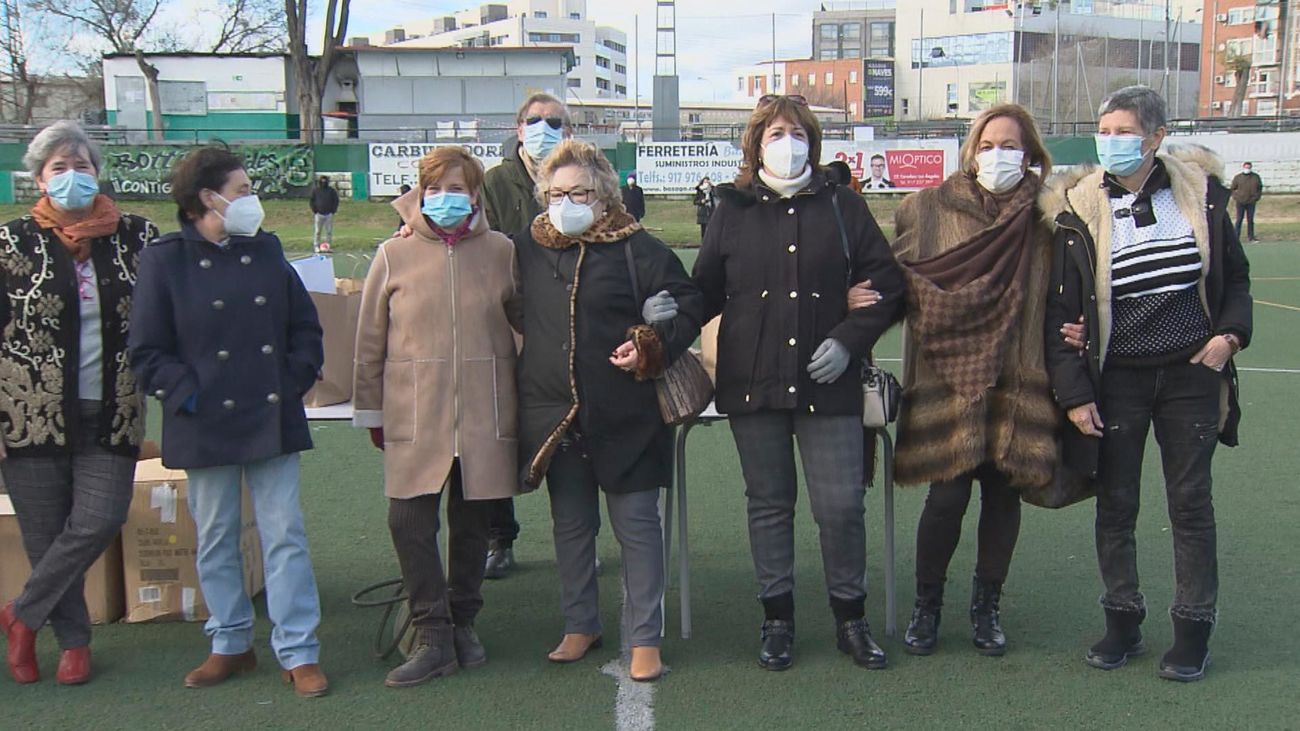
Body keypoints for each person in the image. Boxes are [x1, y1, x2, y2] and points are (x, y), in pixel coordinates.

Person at [1042, 86, 1252, 682]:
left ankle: (1192, 628)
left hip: (1192, 374)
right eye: (1103, 130)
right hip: (1117, 380)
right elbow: (1061, 313)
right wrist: (1076, 393)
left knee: (1189, 504)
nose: (1110, 141)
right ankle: (1123, 621)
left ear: (1156, 136)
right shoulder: (1077, 206)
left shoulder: (1199, 194)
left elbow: (1234, 278)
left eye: (1123, 130)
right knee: (1116, 504)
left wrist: (1229, 337)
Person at [692, 95, 904, 671]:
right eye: (774, 133)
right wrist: (661, 320)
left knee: (840, 506)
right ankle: (778, 620)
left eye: (797, 132)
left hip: (827, 383)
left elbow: (886, 283)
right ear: (755, 144)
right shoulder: (730, 210)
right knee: (769, 504)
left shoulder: (843, 206)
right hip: (752, 381)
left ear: (813, 141)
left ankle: (850, 619)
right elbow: (704, 290)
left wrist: (849, 337)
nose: (787, 142)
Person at [850, 105, 1060, 658]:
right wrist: (855, 306)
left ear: (1032, 153)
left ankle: (987, 606)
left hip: (1018, 375)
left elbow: (1068, 290)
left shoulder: (1049, 216)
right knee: (946, 499)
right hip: (948, 375)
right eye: (988, 144)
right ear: (971, 151)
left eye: (1011, 145)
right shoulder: (926, 209)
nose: (998, 155)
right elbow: (894, 281)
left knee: (1003, 496)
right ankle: (928, 605)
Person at [129, 146, 330, 697]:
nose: (252, 200)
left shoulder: (264, 250)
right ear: (207, 198)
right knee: (216, 535)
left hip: (270, 412)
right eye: (242, 190)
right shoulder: (164, 259)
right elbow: (147, 350)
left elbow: (304, 327)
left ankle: (299, 650)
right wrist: (191, 396)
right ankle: (230, 642)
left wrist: (294, 378)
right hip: (204, 420)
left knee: (284, 534)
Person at [514, 139, 702, 682]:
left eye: (578, 191)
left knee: (637, 526)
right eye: (556, 192)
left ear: (604, 195)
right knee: (571, 525)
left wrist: (651, 337)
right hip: (557, 414)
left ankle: (645, 637)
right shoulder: (528, 247)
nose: (566, 201)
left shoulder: (640, 249)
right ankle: (581, 624)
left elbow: (687, 306)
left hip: (628, 413)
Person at [353, 146, 523, 688]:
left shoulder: (501, 251)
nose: (445, 198)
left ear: (476, 194)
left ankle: (463, 621)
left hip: (483, 407)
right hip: (414, 407)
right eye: (435, 187)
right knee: (408, 521)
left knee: (473, 521)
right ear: (420, 191)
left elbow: (525, 323)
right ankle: (430, 630)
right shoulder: (392, 253)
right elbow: (369, 340)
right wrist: (372, 410)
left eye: (458, 188)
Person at [0, 121, 157, 686]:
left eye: (82, 165)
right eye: (58, 168)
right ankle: (73, 644)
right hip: (28, 411)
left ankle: (20, 612)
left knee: (99, 518)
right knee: (44, 538)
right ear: (39, 178)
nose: (72, 177)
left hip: (112, 407)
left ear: (98, 172)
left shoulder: (138, 236)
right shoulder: (10, 242)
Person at [479, 92, 574, 579]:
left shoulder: (575, 176)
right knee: (498, 435)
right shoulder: (494, 182)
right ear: (518, 129)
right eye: (534, 121)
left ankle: (575, 538)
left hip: (563, 322)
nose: (543, 127)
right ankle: (500, 537)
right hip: (505, 321)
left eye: (554, 121)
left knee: (565, 434)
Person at [1230, 161, 1262, 243]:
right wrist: (1236, 197)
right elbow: (1233, 188)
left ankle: (1251, 237)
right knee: (1239, 220)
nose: (1247, 169)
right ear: (1243, 167)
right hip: (1240, 202)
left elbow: (1259, 188)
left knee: (1250, 220)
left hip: (1251, 202)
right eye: (1246, 167)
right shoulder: (1238, 177)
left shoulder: (1256, 177)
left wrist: (1256, 198)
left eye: (1249, 167)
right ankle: (1236, 238)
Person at [309, 176, 339, 252]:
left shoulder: (331, 191)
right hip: (319, 214)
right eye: (322, 181)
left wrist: (333, 210)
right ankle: (316, 246)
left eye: (325, 181)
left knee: (329, 231)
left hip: (329, 214)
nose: (323, 183)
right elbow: (312, 201)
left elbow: (336, 201)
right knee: (317, 231)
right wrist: (315, 210)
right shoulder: (316, 191)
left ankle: (328, 246)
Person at [693, 176, 716, 242]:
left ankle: (711, 242)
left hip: (710, 211)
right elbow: (695, 201)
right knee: (703, 229)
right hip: (703, 212)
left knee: (712, 228)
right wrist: (701, 201)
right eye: (705, 182)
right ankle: (703, 242)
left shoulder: (711, 191)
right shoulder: (700, 191)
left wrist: (711, 185)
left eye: (707, 182)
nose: (706, 183)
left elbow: (716, 191)